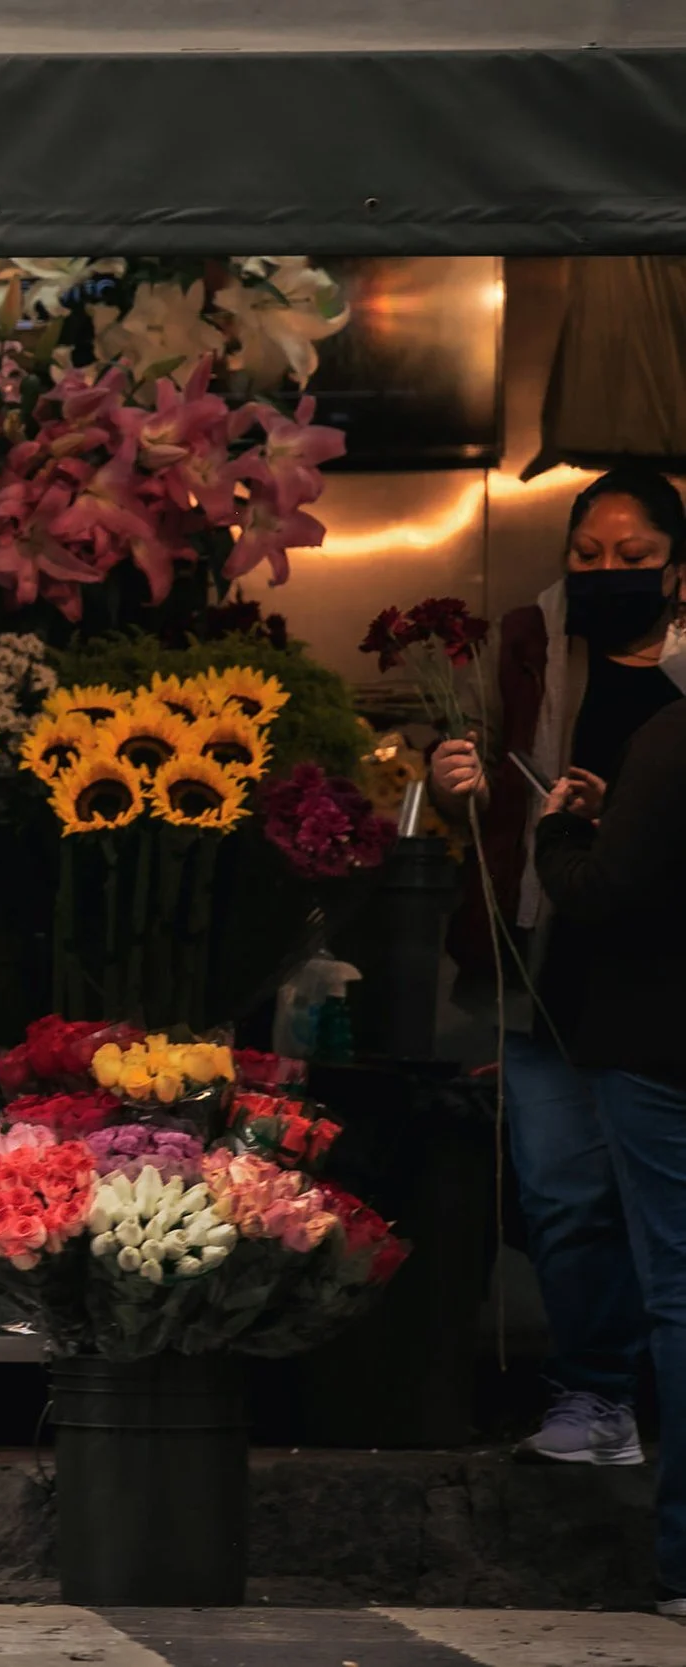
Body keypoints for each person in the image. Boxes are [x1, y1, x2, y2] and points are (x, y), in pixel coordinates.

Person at [431, 465, 686, 1469]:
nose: (605, 573)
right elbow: (483, 785)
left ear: (675, 571)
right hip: (551, 958)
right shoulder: (530, 646)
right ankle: (595, 1390)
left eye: (632, 558)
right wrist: (455, 781)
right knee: (562, 1188)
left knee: (660, 1209)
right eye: (587, 556)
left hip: (661, 979)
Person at [532, 691, 686, 1617]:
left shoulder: (673, 734)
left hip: (663, 1047)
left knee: (680, 1287)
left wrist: (557, 836)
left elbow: (607, 890)